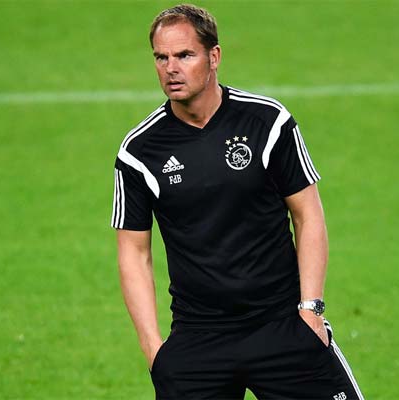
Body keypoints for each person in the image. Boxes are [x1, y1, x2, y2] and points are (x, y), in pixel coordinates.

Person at [111, 4, 364, 399]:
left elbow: (308, 215)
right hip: (198, 339)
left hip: (281, 326)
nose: (170, 68)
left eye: (184, 55)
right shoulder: (139, 151)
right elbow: (133, 253)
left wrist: (311, 308)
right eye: (161, 57)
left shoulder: (267, 123)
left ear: (214, 56)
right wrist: (153, 350)